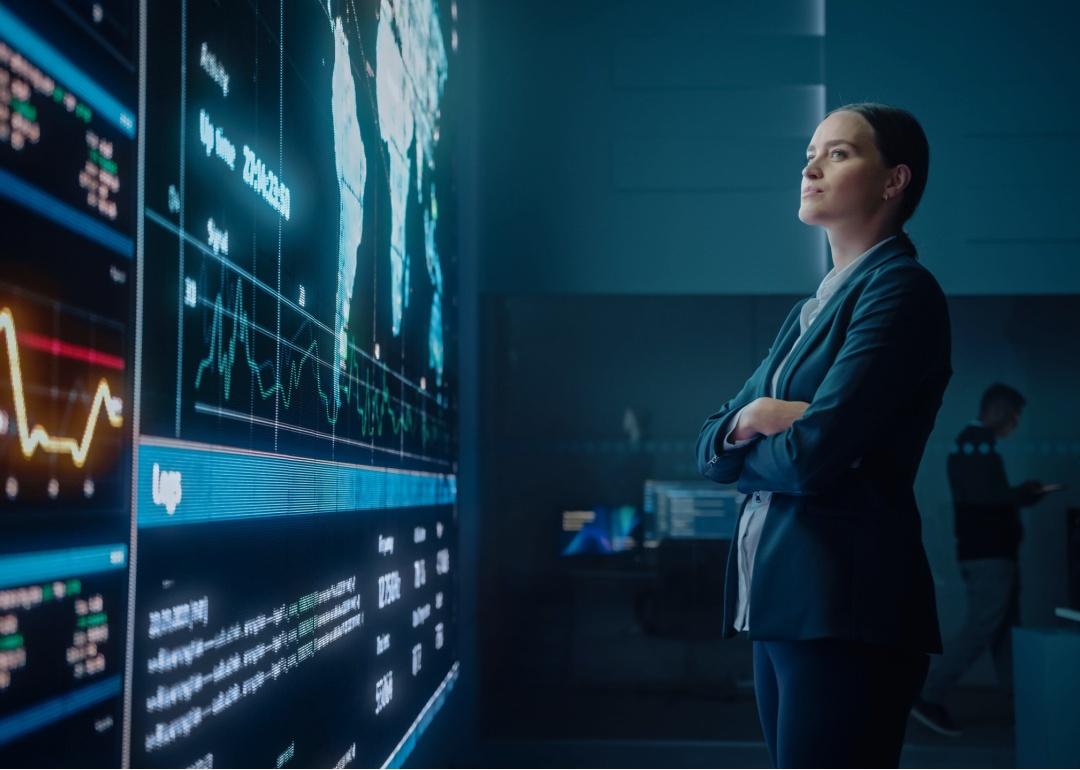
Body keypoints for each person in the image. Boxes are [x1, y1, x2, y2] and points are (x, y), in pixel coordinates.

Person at [695, 103, 950, 768]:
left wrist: (764, 432)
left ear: (894, 181)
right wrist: (753, 419)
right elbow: (708, 448)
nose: (810, 167)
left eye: (838, 153)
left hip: (846, 608)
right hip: (785, 607)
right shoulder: (811, 309)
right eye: (810, 152)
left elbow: (812, 459)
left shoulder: (900, 290)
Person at [911, 384, 1052, 735]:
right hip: (988, 555)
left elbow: (985, 497)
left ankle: (1023, 706)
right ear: (999, 409)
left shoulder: (975, 444)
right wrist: (1022, 494)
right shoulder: (974, 443)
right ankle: (927, 694)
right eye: (1014, 414)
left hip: (993, 554)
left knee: (1005, 634)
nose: (1016, 423)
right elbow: (985, 498)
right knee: (984, 629)